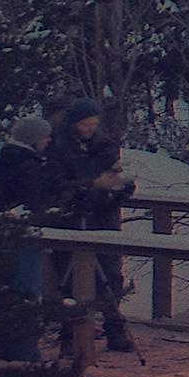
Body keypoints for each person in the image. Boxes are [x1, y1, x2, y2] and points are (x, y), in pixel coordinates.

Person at [49, 97, 135, 353]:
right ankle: (70, 334)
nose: (90, 128)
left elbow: (115, 177)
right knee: (69, 280)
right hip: (71, 221)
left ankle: (114, 328)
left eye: (93, 124)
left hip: (103, 219)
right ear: (74, 123)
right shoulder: (58, 148)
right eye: (86, 123)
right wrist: (90, 187)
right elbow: (56, 186)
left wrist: (120, 187)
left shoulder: (105, 146)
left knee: (109, 275)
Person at [0, 117, 56, 362]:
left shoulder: (4, 160)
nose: (48, 141)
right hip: (19, 240)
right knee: (24, 294)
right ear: (33, 140)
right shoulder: (27, 165)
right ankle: (23, 356)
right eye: (45, 137)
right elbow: (34, 203)